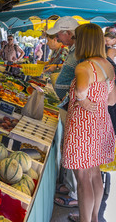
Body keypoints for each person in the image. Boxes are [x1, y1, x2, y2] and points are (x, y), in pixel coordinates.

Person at [61, 23, 116, 222]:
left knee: (83, 178)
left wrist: (83, 98)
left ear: (84, 42)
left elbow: (81, 90)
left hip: (83, 126)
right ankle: (94, 218)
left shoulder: (84, 66)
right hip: (101, 123)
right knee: (94, 175)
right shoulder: (107, 64)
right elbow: (111, 101)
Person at [47, 16, 80, 209]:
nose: (58, 37)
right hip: (68, 105)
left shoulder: (81, 52)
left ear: (68, 33)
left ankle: (75, 192)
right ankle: (69, 185)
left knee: (75, 152)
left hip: (74, 108)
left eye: (59, 33)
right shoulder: (73, 50)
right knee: (68, 147)